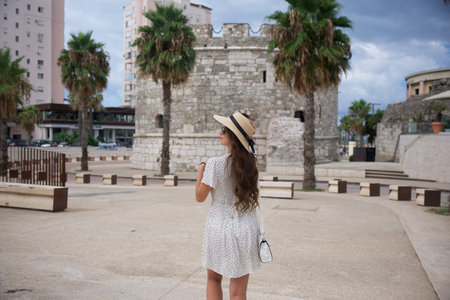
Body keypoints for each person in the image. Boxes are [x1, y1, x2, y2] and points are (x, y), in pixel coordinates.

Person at [196, 112, 260, 300]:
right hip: (246, 228)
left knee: (213, 280)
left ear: (233, 135)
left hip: (218, 227)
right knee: (239, 291)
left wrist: (201, 170)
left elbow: (199, 197)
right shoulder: (252, 165)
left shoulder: (214, 165)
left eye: (223, 129)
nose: (219, 132)